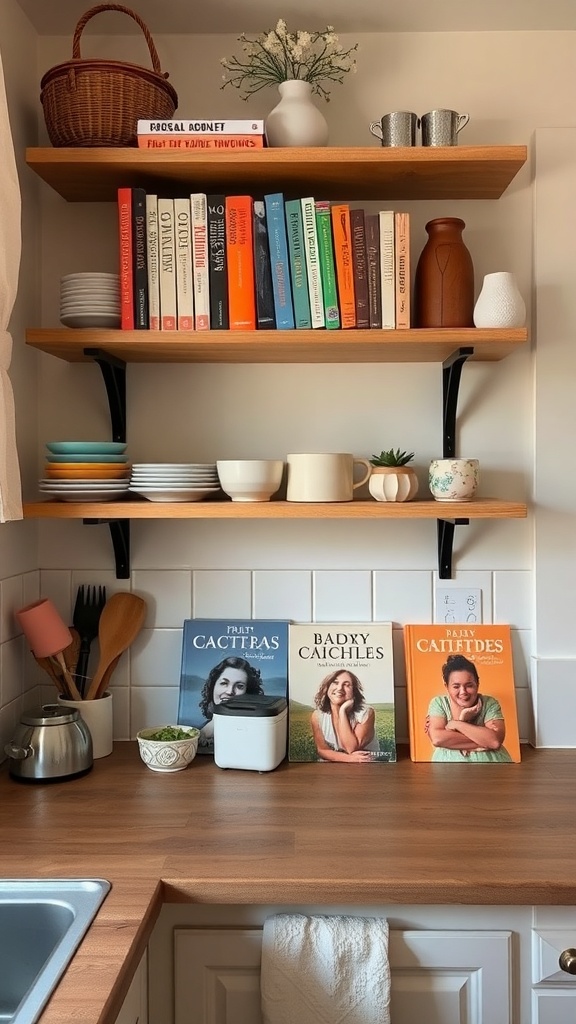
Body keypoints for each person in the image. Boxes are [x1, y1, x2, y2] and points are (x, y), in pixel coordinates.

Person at [425, 653, 513, 762]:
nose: (463, 692)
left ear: (477, 683)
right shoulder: (438, 703)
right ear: (446, 686)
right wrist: (483, 741)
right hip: (447, 772)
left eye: (469, 686)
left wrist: (455, 724)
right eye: (456, 686)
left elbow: (495, 741)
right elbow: (437, 739)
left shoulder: (490, 703)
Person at [310, 669, 380, 763]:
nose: (339, 688)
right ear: (327, 687)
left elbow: (351, 748)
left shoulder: (366, 713)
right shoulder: (317, 716)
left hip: (364, 766)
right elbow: (322, 750)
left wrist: (342, 712)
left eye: (347, 685)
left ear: (354, 692)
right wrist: (349, 758)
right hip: (335, 766)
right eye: (335, 683)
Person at [198, 656, 264, 747]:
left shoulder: (259, 732)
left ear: (249, 692)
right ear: (213, 686)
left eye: (239, 686)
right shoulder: (199, 731)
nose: (230, 692)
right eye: (224, 683)